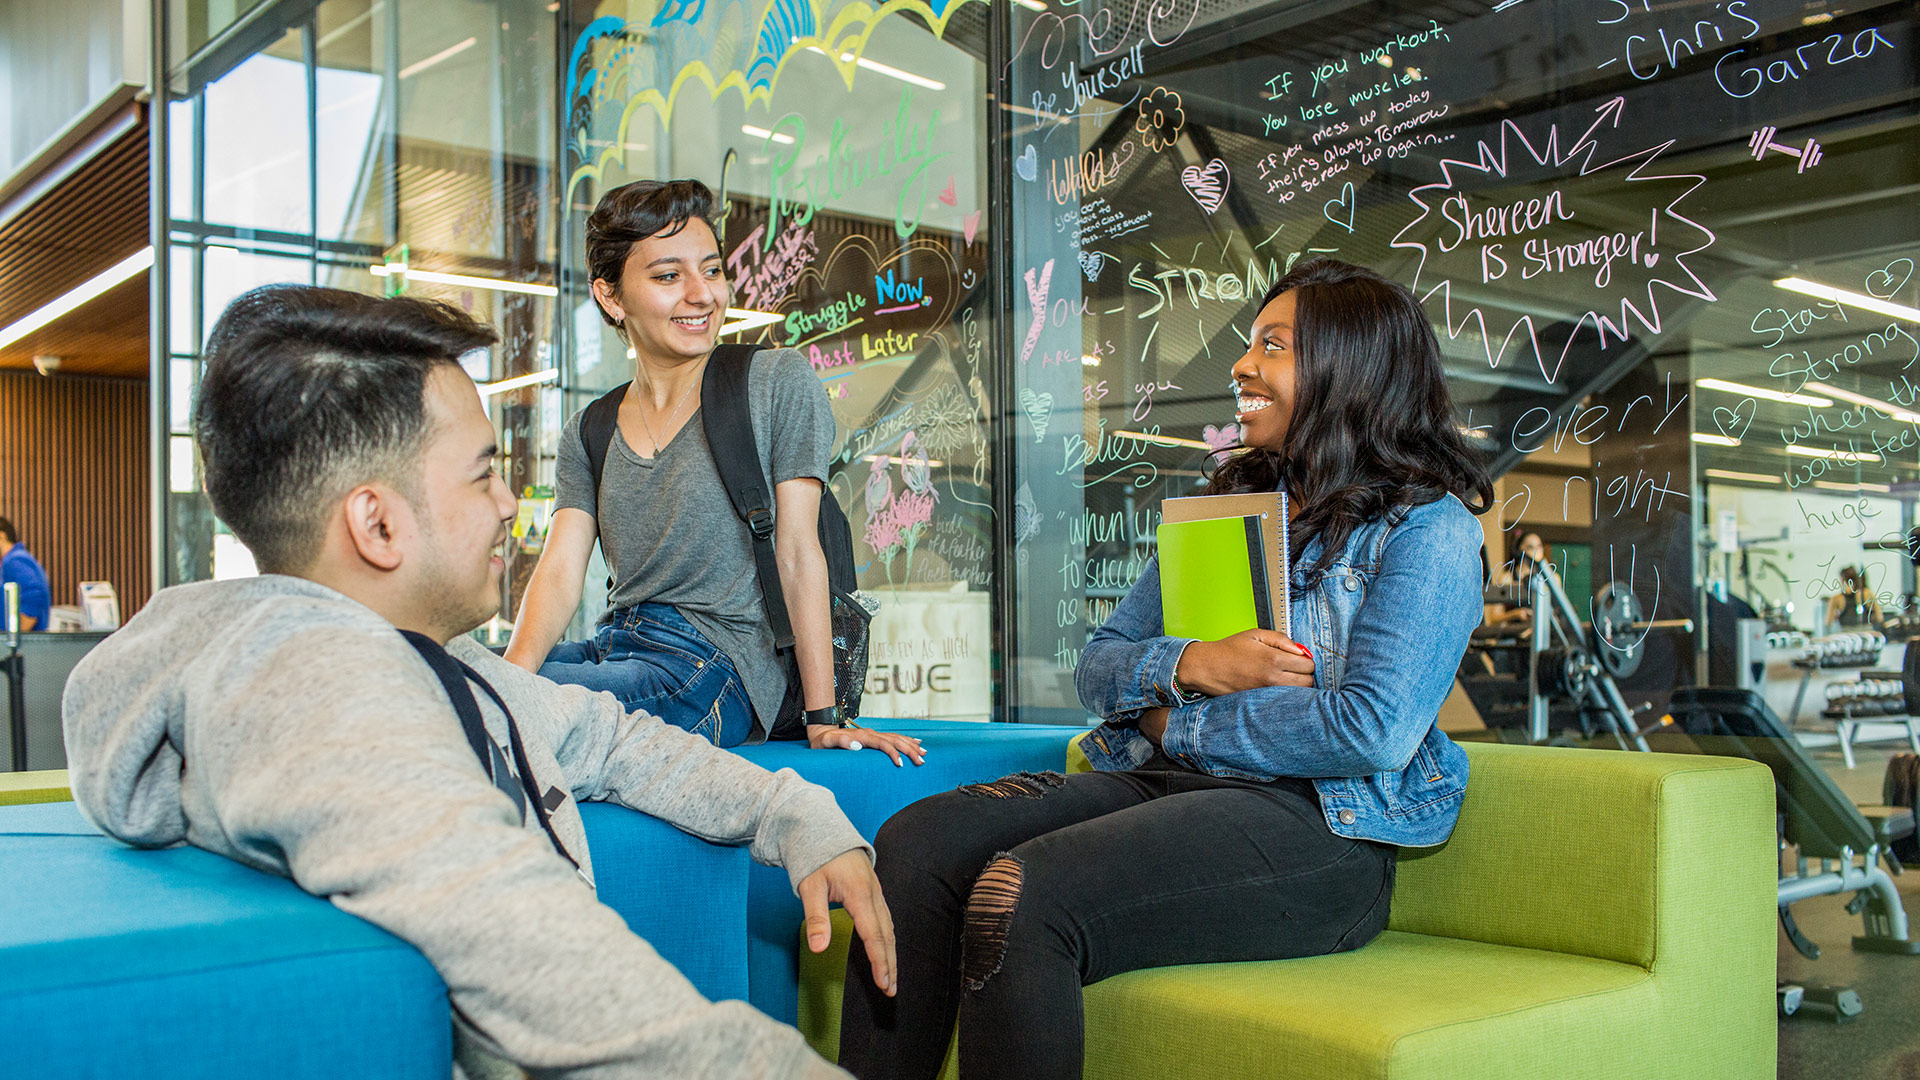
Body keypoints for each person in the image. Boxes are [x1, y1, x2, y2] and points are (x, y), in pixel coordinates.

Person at [61, 285, 898, 1080]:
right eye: (481, 474)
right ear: (377, 524)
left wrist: (791, 813)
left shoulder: (431, 661)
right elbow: (544, 965)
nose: (507, 504)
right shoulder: (324, 700)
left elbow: (610, 739)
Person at [835, 258, 1493, 1080]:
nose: (1242, 365)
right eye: (1251, 343)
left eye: (1274, 346)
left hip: (1322, 831)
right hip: (1169, 785)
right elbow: (1098, 668)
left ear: (1348, 368)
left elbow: (1372, 728)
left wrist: (1177, 722)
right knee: (917, 843)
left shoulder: (1427, 529)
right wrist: (1198, 661)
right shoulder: (1229, 508)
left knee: (1020, 891)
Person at [503, 179, 923, 767]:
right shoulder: (590, 429)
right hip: (618, 646)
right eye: (668, 276)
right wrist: (509, 679)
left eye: (712, 270)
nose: (702, 295)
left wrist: (825, 717)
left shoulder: (773, 382)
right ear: (610, 296)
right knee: (459, 675)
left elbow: (798, 551)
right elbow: (559, 571)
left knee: (498, 701)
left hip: (715, 668)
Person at [0, 517, 51, 631]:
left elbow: (33, 599)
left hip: (22, 641)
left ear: (2, 536)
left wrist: (14, 638)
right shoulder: (14, 559)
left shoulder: (15, 560)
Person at [1827, 565, 1884, 629]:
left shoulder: (1837, 598)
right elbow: (1879, 617)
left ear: (1842, 579)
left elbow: (1828, 622)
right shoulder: (1867, 593)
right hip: (1865, 631)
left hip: (1846, 632)